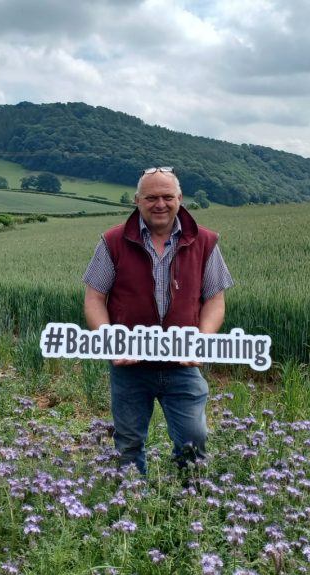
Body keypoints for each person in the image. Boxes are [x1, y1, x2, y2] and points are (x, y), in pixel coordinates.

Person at [82, 167, 233, 475]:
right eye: (151, 197)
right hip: (129, 367)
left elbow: (215, 301)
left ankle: (187, 500)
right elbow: (94, 298)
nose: (159, 204)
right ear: (137, 201)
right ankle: (133, 502)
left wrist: (201, 342)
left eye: (167, 196)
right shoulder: (112, 241)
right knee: (128, 442)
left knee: (194, 437)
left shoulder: (204, 242)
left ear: (180, 198)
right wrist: (111, 343)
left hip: (182, 366)